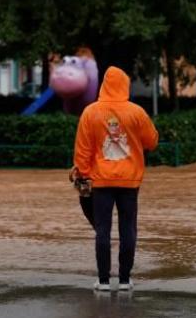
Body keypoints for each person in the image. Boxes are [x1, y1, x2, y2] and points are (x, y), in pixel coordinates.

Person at [73, 66, 159, 291]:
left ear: (103, 85)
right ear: (125, 85)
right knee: (128, 229)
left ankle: (102, 281)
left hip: (100, 181)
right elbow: (152, 141)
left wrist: (82, 174)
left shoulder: (90, 112)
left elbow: (82, 150)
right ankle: (124, 280)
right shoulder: (137, 112)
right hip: (130, 182)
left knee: (102, 230)